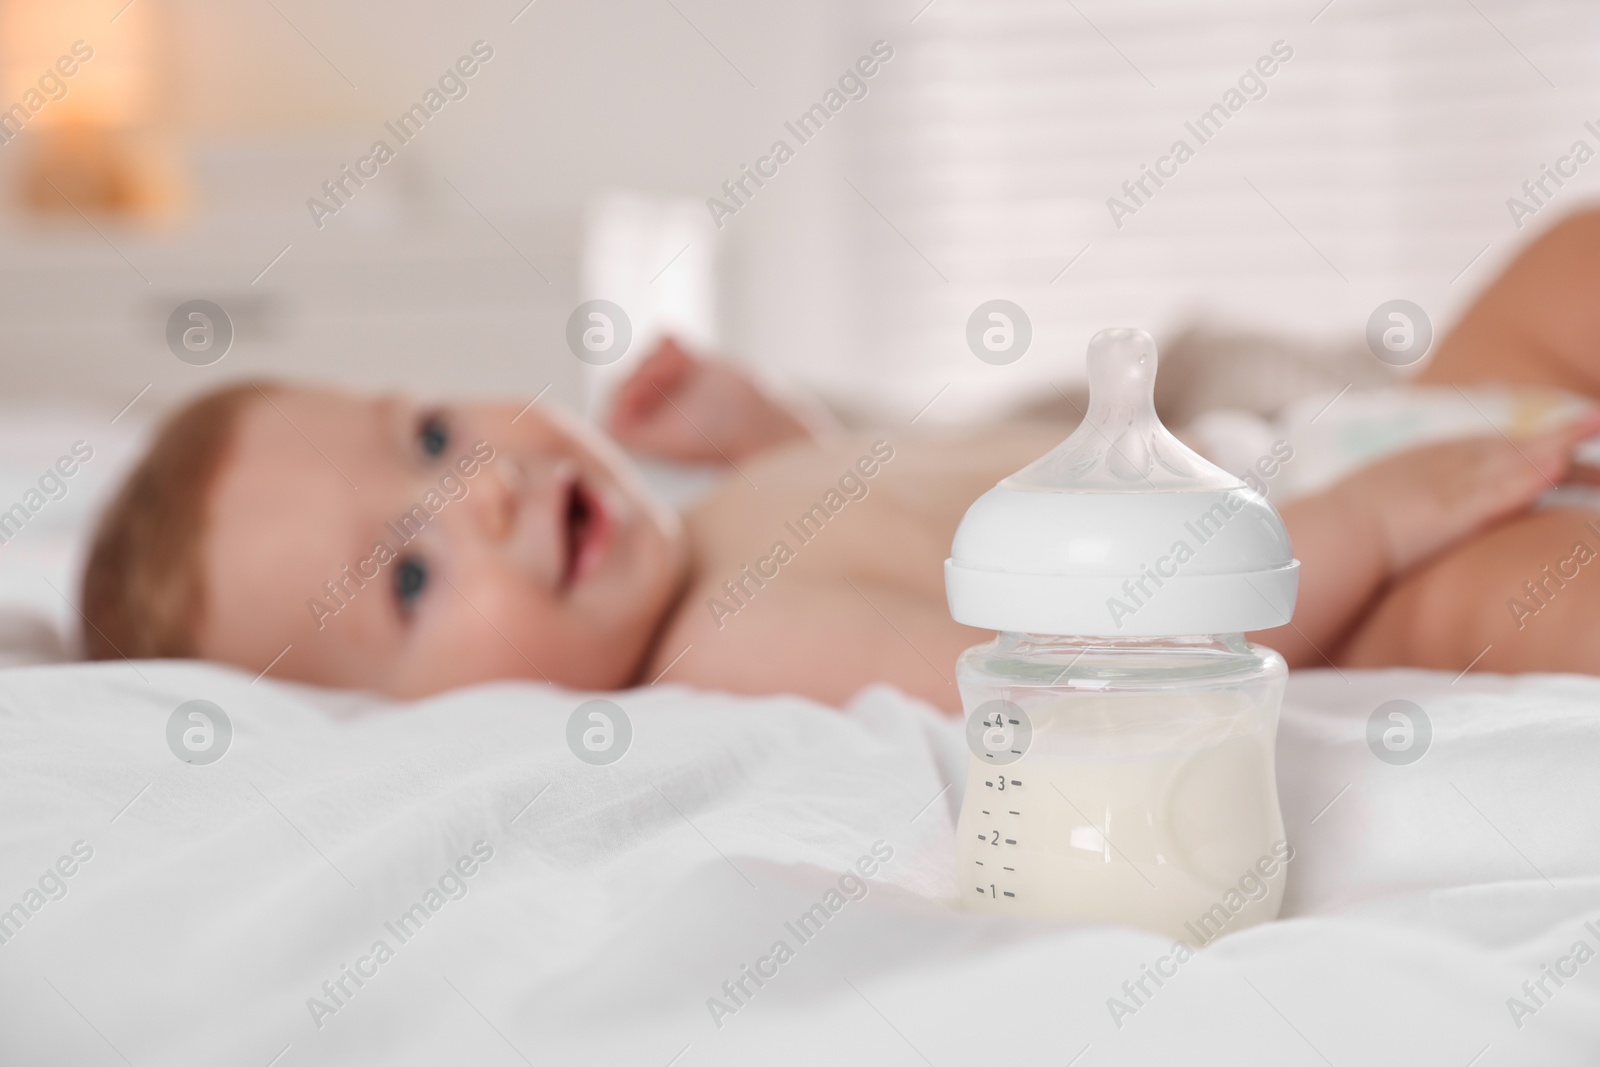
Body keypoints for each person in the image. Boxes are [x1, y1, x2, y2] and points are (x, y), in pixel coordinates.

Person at [79, 210, 1600, 714]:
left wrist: (771, 438)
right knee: (1527, 603)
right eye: (407, 574)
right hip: (1350, 580)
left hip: (1321, 454)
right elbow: (1096, 657)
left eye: (426, 436)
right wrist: (1367, 522)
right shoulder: (739, 652)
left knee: (1564, 263)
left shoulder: (710, 535)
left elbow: (908, 501)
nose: (477, 487)